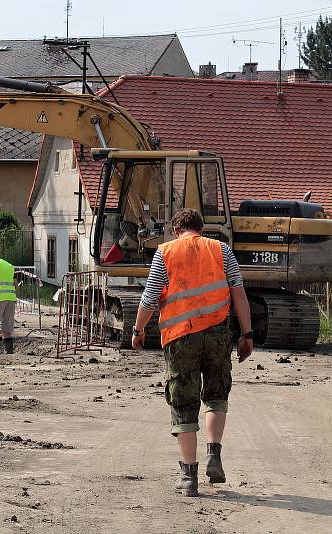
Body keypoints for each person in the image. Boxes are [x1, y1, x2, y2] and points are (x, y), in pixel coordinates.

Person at [131, 208, 253, 497]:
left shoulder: (165, 253)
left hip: (180, 337)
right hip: (217, 335)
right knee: (216, 394)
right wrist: (247, 334)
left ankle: (188, 477)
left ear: (176, 231)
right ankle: (214, 454)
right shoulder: (221, 250)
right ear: (201, 229)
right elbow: (238, 292)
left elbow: (150, 297)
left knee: (183, 401)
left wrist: (137, 330)